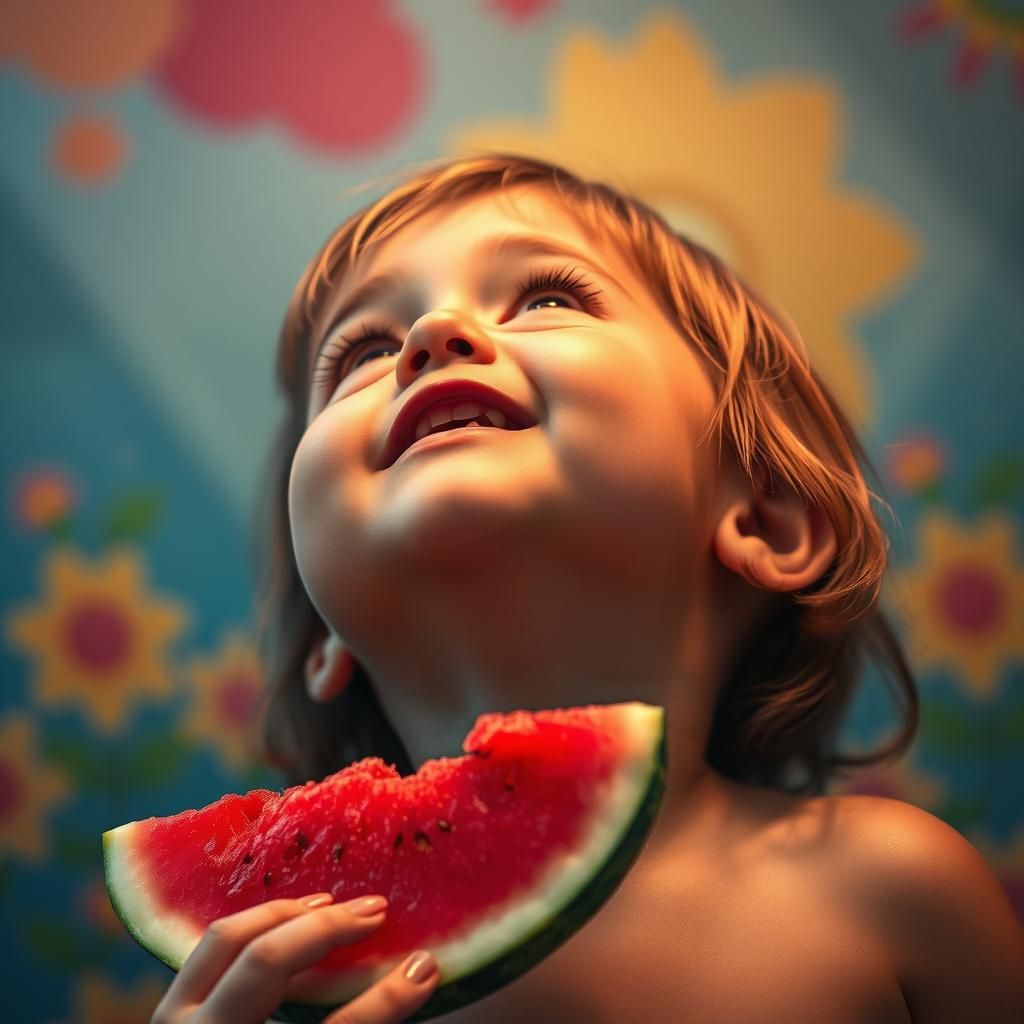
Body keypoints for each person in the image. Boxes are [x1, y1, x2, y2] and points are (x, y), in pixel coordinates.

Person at [153, 153, 1024, 1023]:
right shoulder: (295, 970)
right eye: (363, 351)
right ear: (321, 637)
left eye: (546, 299)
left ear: (765, 520)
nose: (432, 334)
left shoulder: (898, 893)